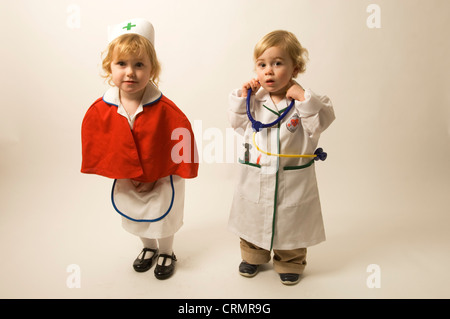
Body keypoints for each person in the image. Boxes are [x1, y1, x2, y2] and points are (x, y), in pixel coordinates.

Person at [81, 18, 198, 280]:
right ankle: (148, 247)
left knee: (163, 216)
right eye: (121, 64)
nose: (130, 72)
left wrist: (155, 175)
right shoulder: (101, 109)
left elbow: (180, 143)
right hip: (128, 176)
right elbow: (104, 144)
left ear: (152, 69)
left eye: (139, 65)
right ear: (109, 67)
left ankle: (167, 251)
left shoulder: (168, 111)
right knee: (138, 216)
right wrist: (125, 172)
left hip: (163, 175)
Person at [227, 30, 335, 285]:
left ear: (295, 67)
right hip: (256, 174)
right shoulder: (254, 100)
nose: (269, 71)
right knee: (252, 218)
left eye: (277, 63)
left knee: (291, 223)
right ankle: (253, 255)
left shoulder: (305, 100)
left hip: (292, 179)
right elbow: (238, 124)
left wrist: (304, 99)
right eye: (262, 64)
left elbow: (319, 123)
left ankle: (290, 260)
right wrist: (241, 97)